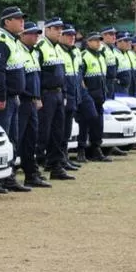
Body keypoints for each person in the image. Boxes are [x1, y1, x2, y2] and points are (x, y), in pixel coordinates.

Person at [0, 6, 31, 192]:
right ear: (6, 22)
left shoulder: (13, 41)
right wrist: (1, 97)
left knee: (12, 138)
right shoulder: (0, 41)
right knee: (0, 139)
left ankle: (7, 175)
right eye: (17, 19)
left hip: (13, 98)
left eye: (22, 18)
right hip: (4, 100)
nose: (22, 22)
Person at [33, 17, 73, 181]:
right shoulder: (41, 47)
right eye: (55, 29)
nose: (59, 32)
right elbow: (37, 73)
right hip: (46, 94)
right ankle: (37, 164)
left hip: (57, 95)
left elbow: (61, 75)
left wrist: (63, 94)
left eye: (60, 29)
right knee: (43, 132)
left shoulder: (58, 49)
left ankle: (55, 166)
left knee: (58, 132)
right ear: (47, 30)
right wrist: (38, 96)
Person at [16, 22, 49, 187]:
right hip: (22, 102)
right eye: (32, 33)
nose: (35, 36)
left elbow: (36, 78)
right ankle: (10, 175)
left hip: (32, 102)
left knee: (31, 139)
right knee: (18, 139)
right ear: (22, 35)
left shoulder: (34, 53)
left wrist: (38, 97)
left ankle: (31, 174)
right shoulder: (18, 50)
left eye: (37, 33)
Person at [57, 24, 88, 167]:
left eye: (73, 35)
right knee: (60, 130)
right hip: (63, 95)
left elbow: (79, 71)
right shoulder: (58, 50)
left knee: (67, 130)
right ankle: (59, 159)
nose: (72, 38)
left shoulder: (75, 52)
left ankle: (65, 157)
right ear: (61, 36)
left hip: (74, 95)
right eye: (68, 35)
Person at [81, 33, 112, 162]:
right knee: (85, 124)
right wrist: (85, 94)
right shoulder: (84, 56)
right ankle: (81, 150)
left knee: (98, 125)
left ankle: (96, 149)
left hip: (99, 97)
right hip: (89, 97)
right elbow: (81, 78)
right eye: (94, 41)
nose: (98, 43)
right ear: (88, 42)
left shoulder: (100, 56)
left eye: (99, 41)